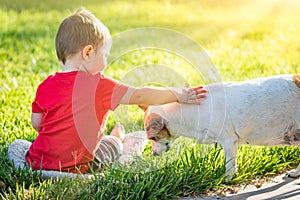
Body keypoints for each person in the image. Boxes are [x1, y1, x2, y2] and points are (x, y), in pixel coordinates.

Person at [8, 8, 207, 174]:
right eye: (105, 53)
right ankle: (118, 139)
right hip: (80, 167)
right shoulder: (99, 84)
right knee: (112, 145)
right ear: (88, 52)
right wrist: (177, 94)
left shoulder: (45, 85)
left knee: (17, 146)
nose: (106, 60)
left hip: (40, 162)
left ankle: (46, 168)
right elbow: (140, 94)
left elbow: (38, 124)